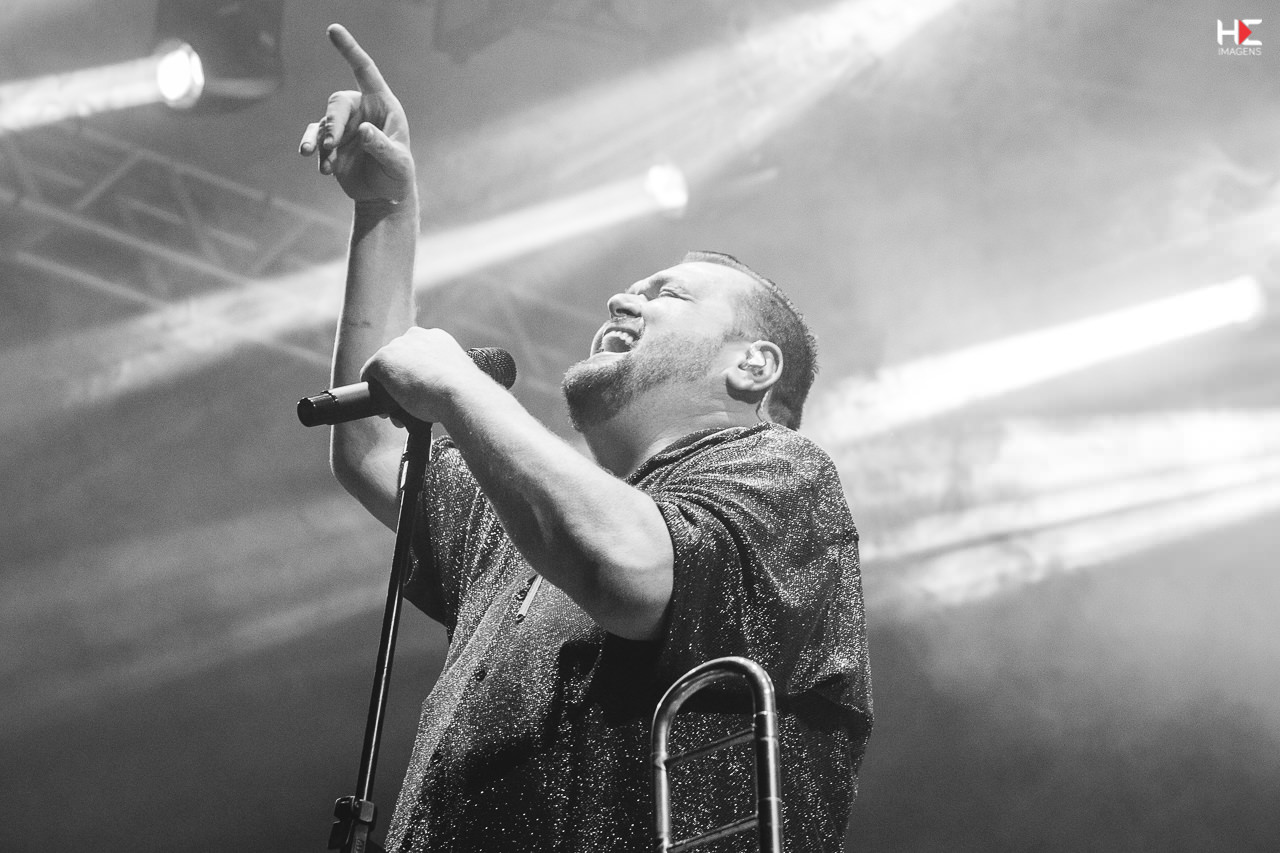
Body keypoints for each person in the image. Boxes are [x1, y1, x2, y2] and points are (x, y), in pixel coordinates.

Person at [299, 24, 871, 853]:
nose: (621, 300)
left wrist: (459, 387)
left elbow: (630, 570)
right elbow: (373, 450)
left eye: (666, 294)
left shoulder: (783, 472)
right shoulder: (527, 526)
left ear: (753, 364)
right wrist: (386, 210)